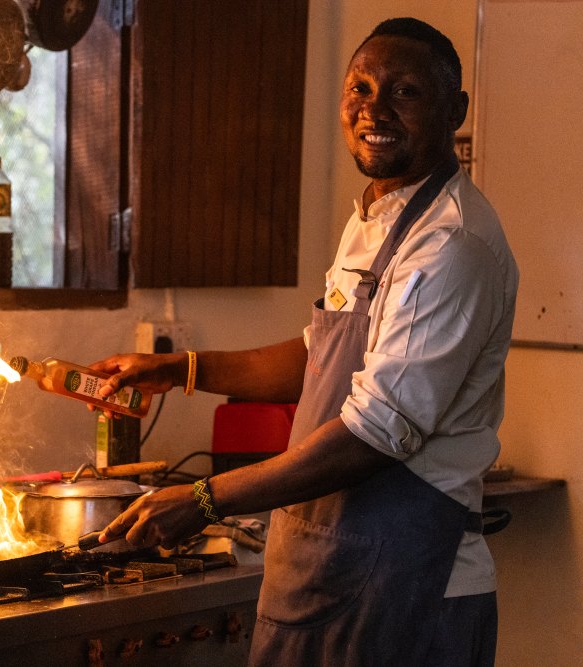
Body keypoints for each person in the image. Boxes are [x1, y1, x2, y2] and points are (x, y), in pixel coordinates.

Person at [89, 17, 518, 667]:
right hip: (328, 569)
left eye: (403, 92)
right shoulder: (377, 216)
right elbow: (323, 355)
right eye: (360, 87)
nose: (374, 108)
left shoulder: (450, 244)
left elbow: (376, 432)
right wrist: (182, 368)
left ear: (454, 110)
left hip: (409, 587)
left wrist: (204, 498)